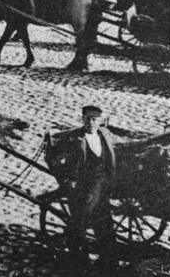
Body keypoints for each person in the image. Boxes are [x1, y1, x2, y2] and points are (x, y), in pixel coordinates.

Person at [54, 105, 118, 268]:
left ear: (100, 121)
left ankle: (109, 260)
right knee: (80, 222)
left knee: (104, 221)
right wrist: (66, 179)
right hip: (82, 186)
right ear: (82, 119)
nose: (90, 122)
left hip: (101, 185)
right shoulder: (73, 138)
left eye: (94, 119)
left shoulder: (105, 135)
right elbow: (54, 156)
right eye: (87, 119)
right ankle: (78, 260)